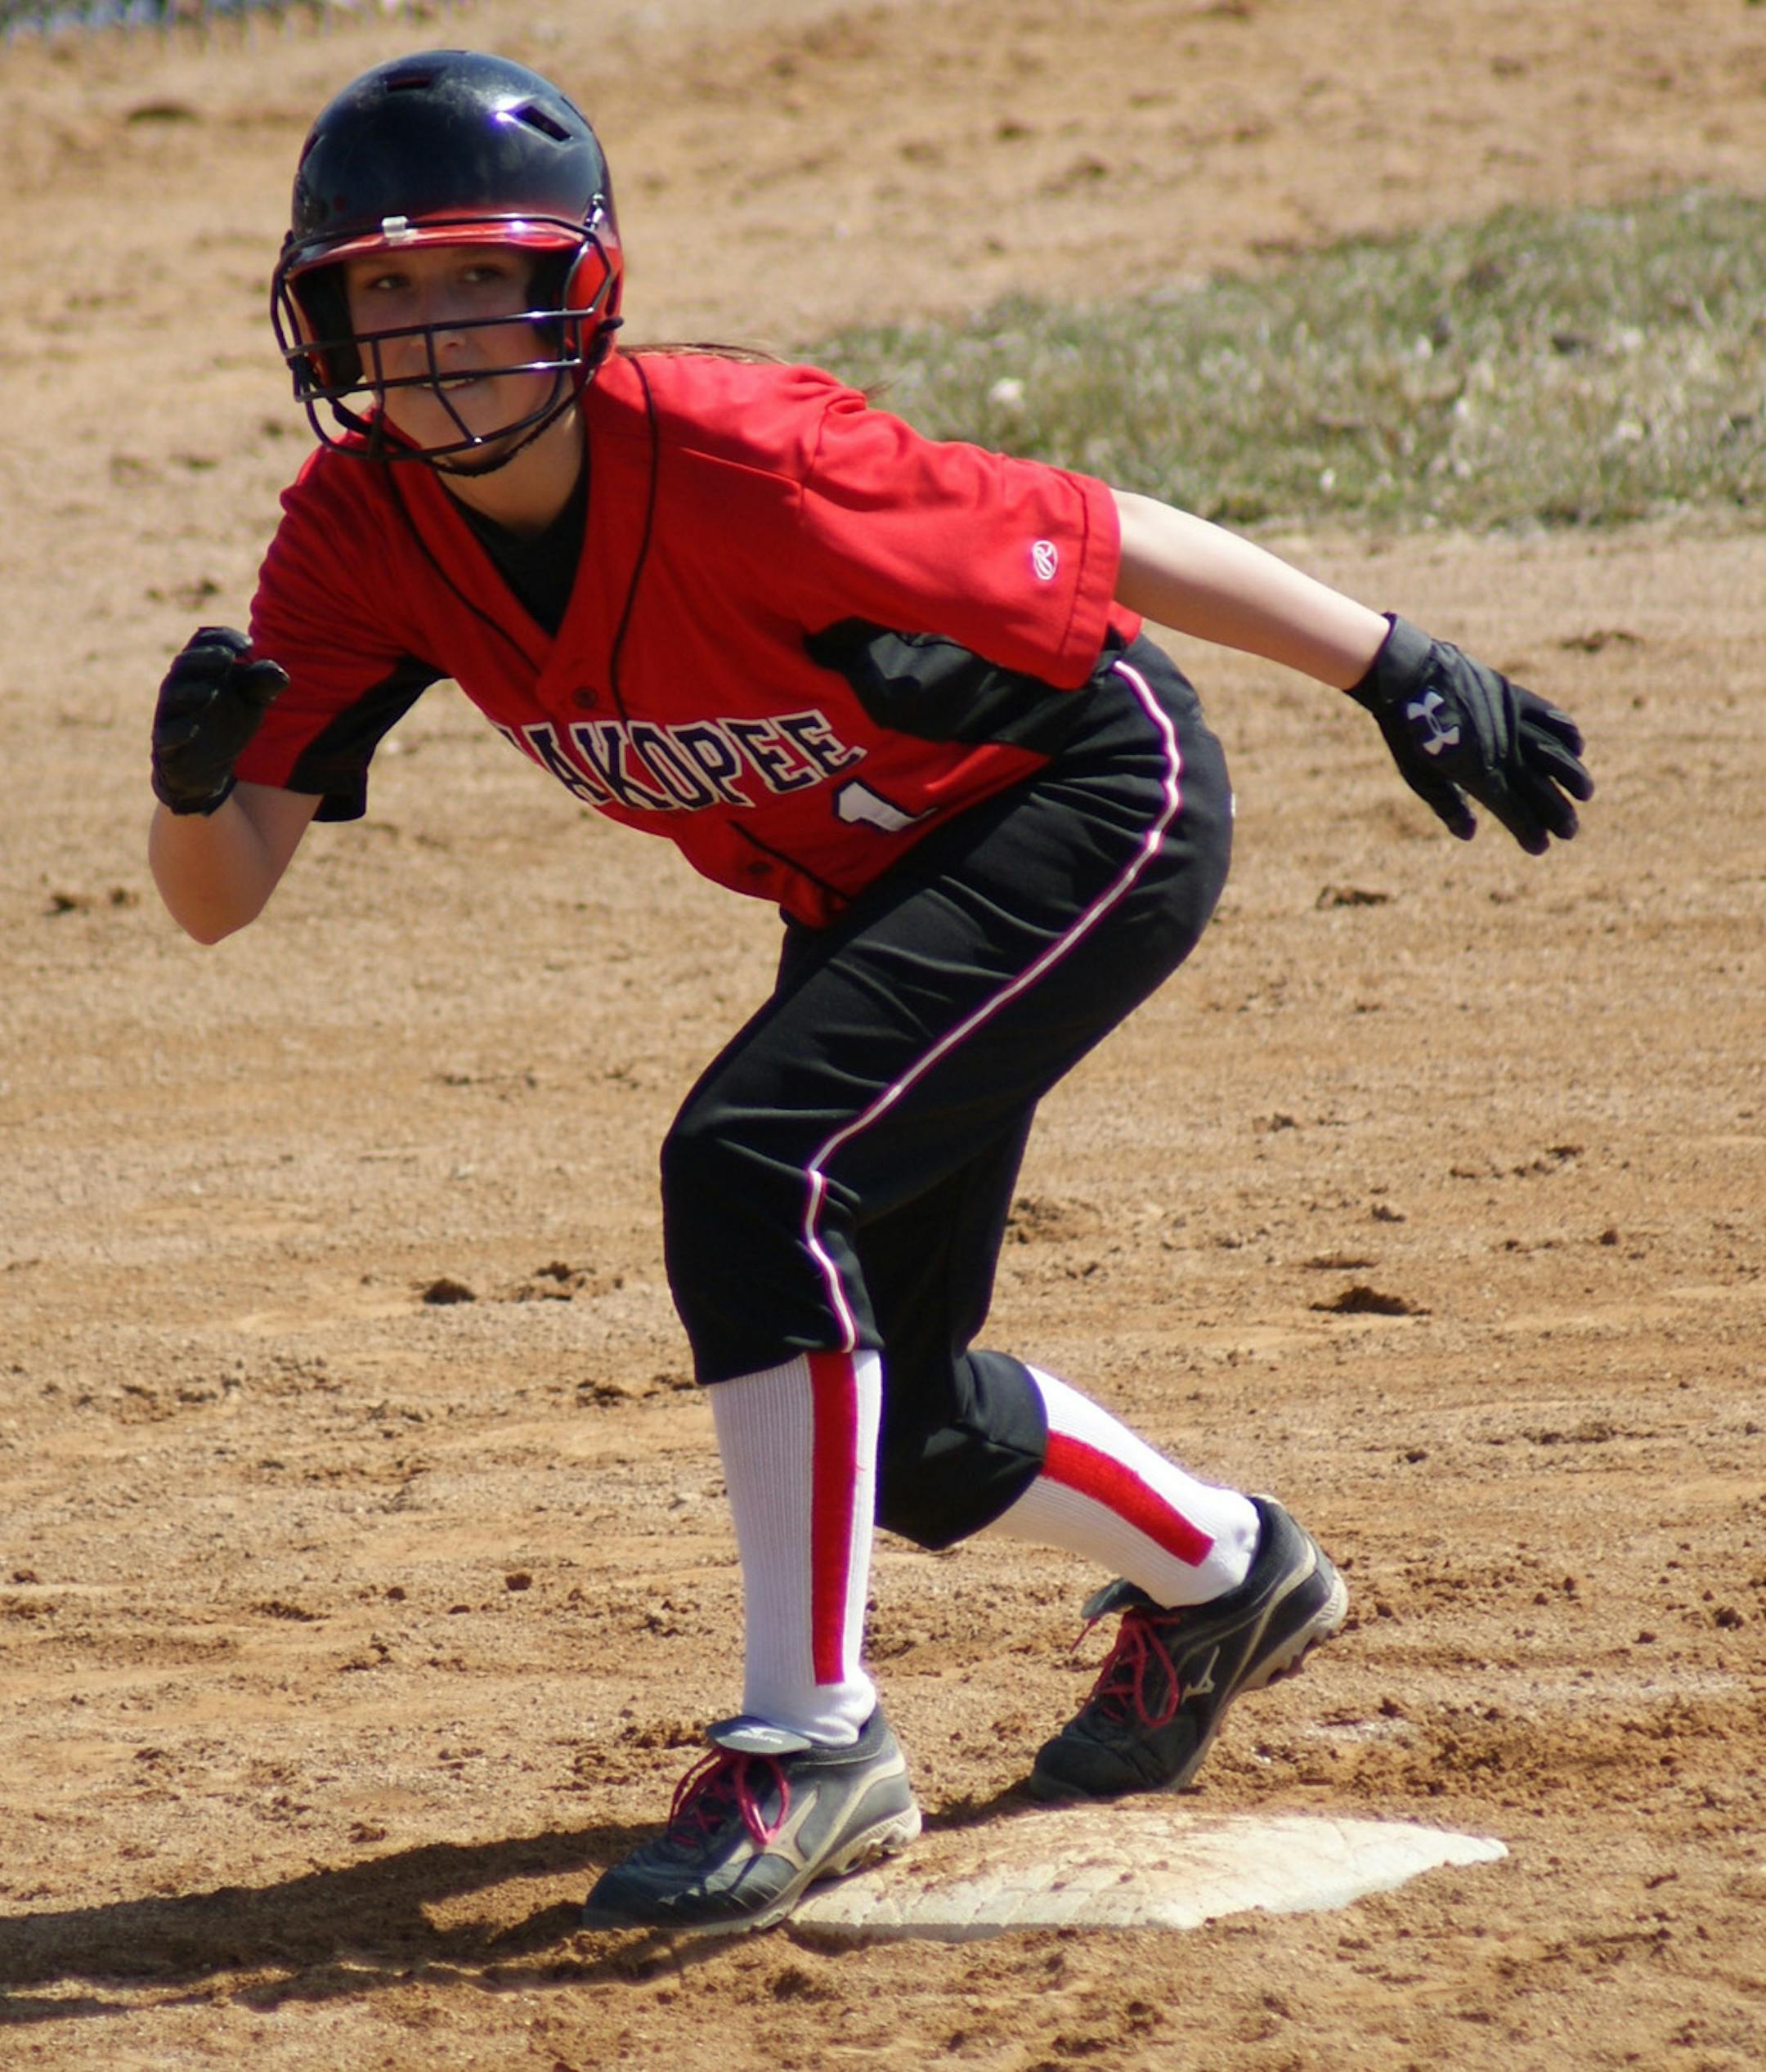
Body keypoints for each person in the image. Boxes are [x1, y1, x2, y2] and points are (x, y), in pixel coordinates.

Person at [147, 49, 1592, 1936]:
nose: (427, 334)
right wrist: (192, 789)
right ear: (324, 314)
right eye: (383, 290)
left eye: (476, 280)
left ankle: (812, 1740)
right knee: (898, 1433)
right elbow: (222, 895)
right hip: (867, 875)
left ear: (568, 289)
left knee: (757, 1165)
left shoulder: (748, 455)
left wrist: (1386, 657)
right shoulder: (355, 535)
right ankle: (1227, 1576)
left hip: (1083, 793)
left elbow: (1090, 524)